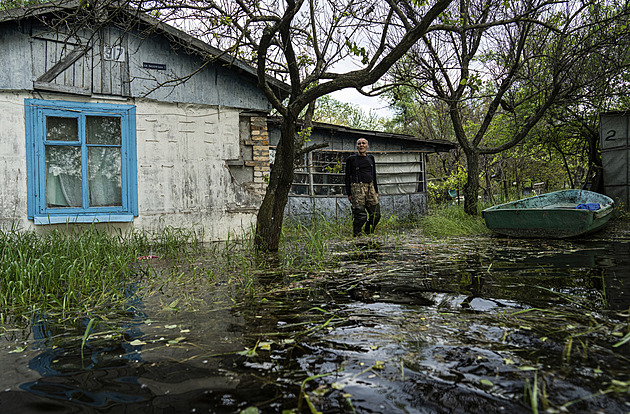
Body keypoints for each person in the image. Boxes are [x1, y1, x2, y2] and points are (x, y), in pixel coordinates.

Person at [345, 138, 381, 236]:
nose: (361, 145)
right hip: (357, 188)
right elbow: (347, 177)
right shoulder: (351, 159)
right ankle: (357, 234)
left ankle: (368, 232)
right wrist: (349, 193)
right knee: (360, 216)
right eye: (359, 144)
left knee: (376, 215)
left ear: (367, 146)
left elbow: (374, 174)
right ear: (356, 146)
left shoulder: (371, 158)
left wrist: (376, 190)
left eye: (363, 143)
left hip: (370, 187)